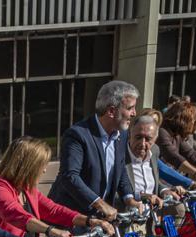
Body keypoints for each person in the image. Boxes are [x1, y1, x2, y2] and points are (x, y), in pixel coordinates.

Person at [48, 79, 145, 222]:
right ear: (111, 111)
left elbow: (120, 167)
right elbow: (69, 176)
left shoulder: (122, 134)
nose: (134, 113)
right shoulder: (77, 134)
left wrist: (129, 198)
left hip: (100, 218)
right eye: (130, 108)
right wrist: (100, 204)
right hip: (72, 218)